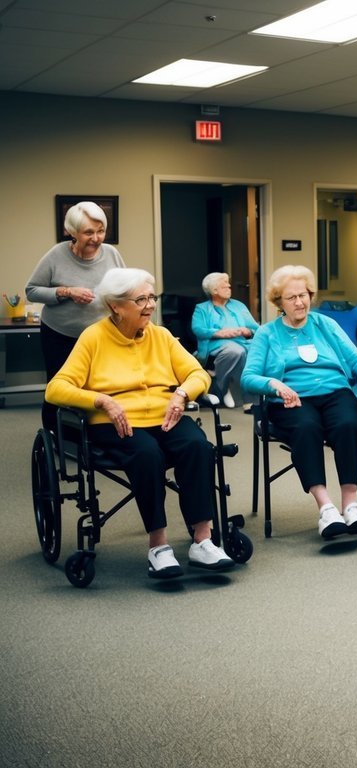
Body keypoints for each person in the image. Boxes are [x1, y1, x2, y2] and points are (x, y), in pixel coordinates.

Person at [44, 268, 234, 578]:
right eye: (140, 299)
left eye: (152, 297)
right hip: (114, 423)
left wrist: (182, 394)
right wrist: (101, 400)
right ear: (115, 305)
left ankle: (203, 541)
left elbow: (198, 374)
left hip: (165, 415)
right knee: (147, 454)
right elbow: (55, 388)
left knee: (198, 445)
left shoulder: (160, 336)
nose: (150, 305)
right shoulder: (93, 338)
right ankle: (158, 546)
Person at [241, 265, 357, 540]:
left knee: (349, 424)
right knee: (306, 428)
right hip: (291, 399)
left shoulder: (324, 324)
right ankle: (326, 506)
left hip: (334, 391)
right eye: (291, 298)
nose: (300, 302)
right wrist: (274, 384)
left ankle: (350, 503)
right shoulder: (267, 334)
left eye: (303, 295)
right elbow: (248, 377)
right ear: (279, 302)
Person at [26, 200, 127, 435]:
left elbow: (124, 289)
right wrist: (66, 291)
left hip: (100, 337)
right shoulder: (56, 255)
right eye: (88, 232)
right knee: (59, 387)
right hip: (60, 334)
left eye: (101, 231)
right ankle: (54, 437)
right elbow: (31, 290)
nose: (96, 238)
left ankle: (92, 435)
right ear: (72, 232)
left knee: (99, 386)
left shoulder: (112, 254)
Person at [191, 272, 260, 408]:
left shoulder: (238, 305)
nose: (229, 287)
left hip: (243, 342)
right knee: (236, 352)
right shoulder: (202, 309)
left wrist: (248, 331)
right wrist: (219, 333)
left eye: (229, 284)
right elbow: (197, 329)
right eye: (225, 286)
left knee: (255, 352)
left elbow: (256, 328)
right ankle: (225, 390)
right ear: (214, 291)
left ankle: (225, 383)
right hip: (215, 344)